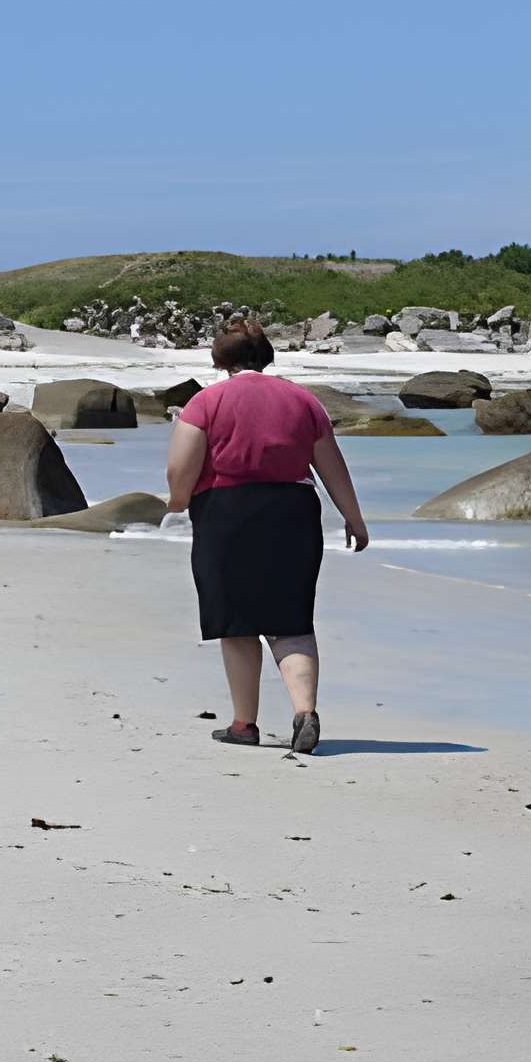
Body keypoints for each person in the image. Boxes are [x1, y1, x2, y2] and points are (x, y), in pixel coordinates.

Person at [166, 320, 367, 754]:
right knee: (290, 619)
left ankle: (244, 724)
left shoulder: (206, 401)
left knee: (237, 623)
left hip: (227, 513)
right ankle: (304, 712)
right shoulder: (303, 401)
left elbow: (182, 465)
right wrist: (353, 518)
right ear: (267, 357)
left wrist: (178, 501)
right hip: (293, 511)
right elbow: (331, 466)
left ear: (218, 360)